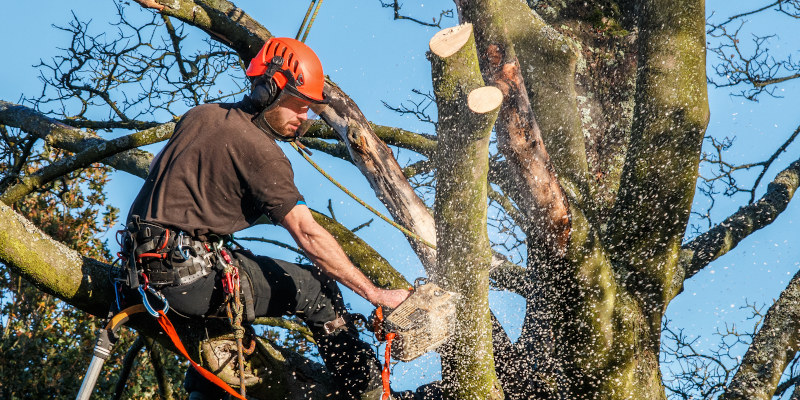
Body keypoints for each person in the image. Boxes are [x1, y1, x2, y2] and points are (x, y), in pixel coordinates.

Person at [124, 37, 412, 399]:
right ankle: (369, 393)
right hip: (188, 280)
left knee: (231, 320)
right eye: (298, 106)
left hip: (138, 274)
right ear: (269, 91)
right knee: (316, 289)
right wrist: (375, 294)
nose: (303, 118)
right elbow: (307, 234)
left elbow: (158, 171)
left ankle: (205, 390)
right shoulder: (262, 153)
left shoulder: (200, 116)